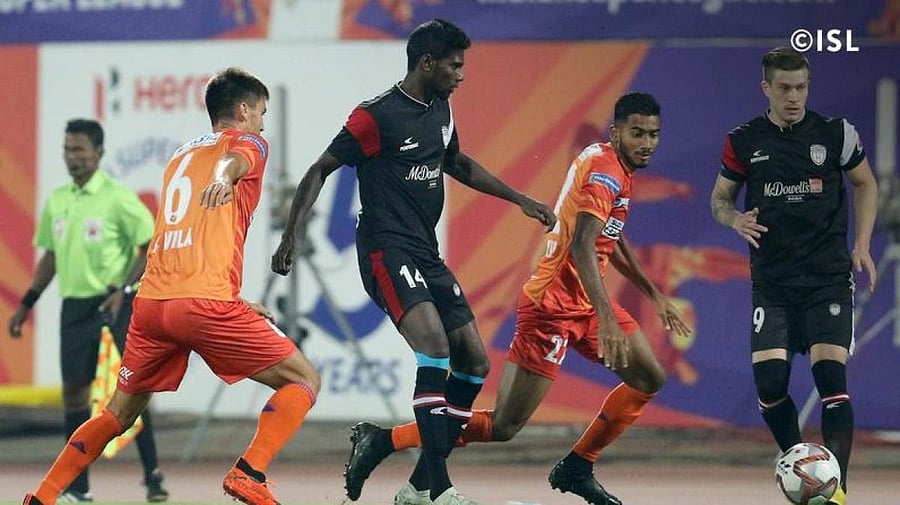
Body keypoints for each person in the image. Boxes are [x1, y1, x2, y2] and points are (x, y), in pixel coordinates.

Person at [335, 92, 691, 505]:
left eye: (653, 135)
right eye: (637, 133)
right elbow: (582, 245)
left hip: (587, 305)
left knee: (649, 377)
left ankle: (578, 465)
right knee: (504, 426)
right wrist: (609, 316)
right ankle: (382, 441)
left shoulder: (615, 163)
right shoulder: (605, 171)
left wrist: (651, 293)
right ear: (616, 132)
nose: (646, 142)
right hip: (551, 309)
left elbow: (609, 234)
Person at [271, 18, 555, 505]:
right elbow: (321, 168)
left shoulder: (442, 109)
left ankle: (412, 477)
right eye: (455, 64)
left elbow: (457, 163)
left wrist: (518, 198)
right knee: (435, 346)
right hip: (384, 249)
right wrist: (291, 236)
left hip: (426, 253)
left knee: (473, 362)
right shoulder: (375, 115)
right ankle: (441, 490)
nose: (462, 74)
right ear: (427, 62)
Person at [22, 67, 321, 505]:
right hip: (201, 305)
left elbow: (190, 239)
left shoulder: (179, 157)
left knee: (116, 413)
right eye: (260, 112)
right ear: (242, 110)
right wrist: (225, 177)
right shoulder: (248, 143)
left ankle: (43, 496)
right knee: (304, 379)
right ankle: (249, 472)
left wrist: (235, 297)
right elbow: (234, 161)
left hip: (152, 305)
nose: (262, 122)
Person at [709, 47, 879, 505]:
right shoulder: (744, 140)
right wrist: (734, 220)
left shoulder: (835, 133)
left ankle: (836, 489)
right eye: (784, 88)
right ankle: (804, 469)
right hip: (774, 282)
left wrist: (862, 243)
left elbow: (865, 182)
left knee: (830, 377)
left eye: (801, 87)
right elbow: (720, 199)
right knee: (770, 386)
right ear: (766, 87)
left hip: (826, 277)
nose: (793, 97)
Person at [8, 119, 168, 503]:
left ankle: (153, 477)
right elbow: (50, 255)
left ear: (98, 152)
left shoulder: (117, 197)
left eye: (79, 149)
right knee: (75, 395)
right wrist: (27, 302)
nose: (72, 156)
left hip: (115, 303)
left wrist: (123, 290)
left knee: (130, 392)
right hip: (75, 307)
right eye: (67, 149)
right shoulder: (58, 199)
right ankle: (79, 489)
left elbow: (149, 244)